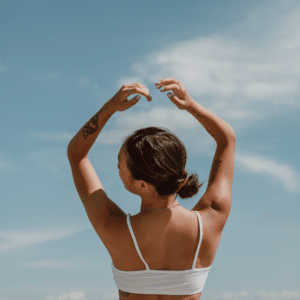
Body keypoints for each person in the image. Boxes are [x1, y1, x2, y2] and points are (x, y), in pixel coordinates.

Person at [67, 77, 236, 300]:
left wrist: (110, 107)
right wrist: (191, 105)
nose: (117, 166)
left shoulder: (114, 226)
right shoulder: (211, 219)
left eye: (121, 163)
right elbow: (226, 140)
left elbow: (76, 154)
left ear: (143, 185)